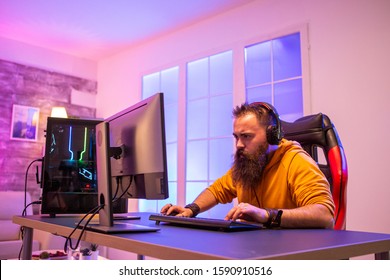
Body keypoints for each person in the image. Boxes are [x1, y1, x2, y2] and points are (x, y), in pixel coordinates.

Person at [161, 102, 335, 229]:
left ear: (272, 135)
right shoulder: (248, 165)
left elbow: (324, 215)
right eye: (236, 137)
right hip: (259, 250)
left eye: (246, 136)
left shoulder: (296, 161)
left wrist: (267, 215)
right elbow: (217, 190)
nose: (238, 145)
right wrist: (191, 209)